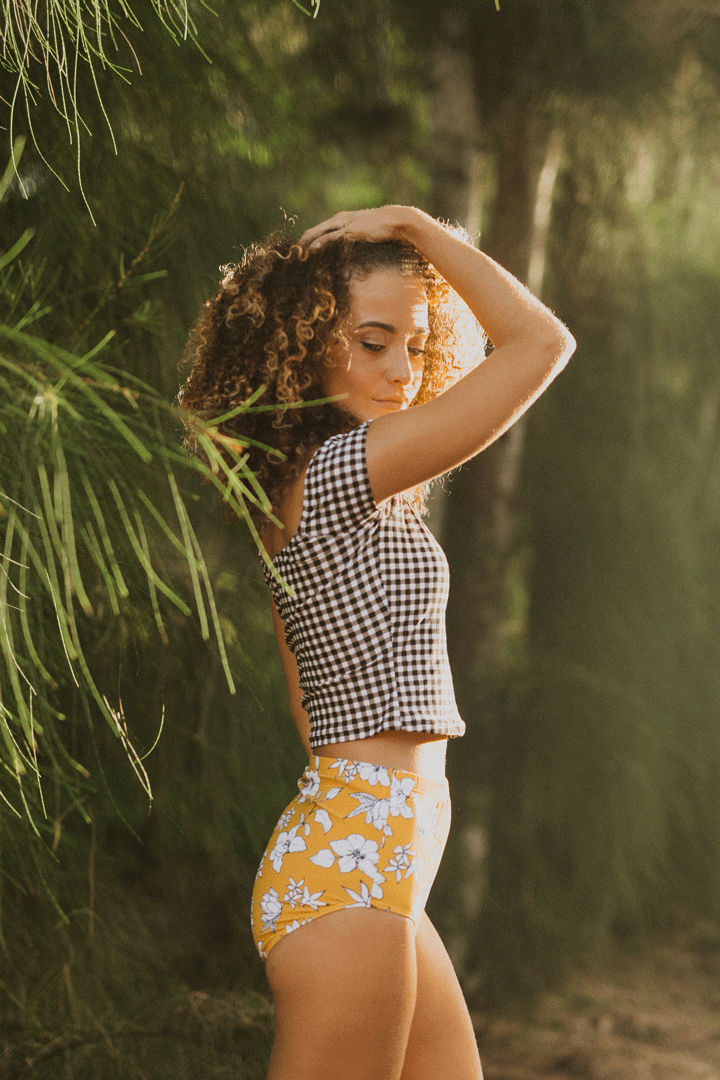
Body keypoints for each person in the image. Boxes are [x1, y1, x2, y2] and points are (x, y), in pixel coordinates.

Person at [179, 205, 575, 1080]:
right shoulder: (333, 475)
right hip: (352, 870)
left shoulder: (335, 486)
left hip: (373, 859)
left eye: (416, 344)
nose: (402, 370)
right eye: (371, 341)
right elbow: (542, 345)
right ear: (305, 343)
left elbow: (303, 695)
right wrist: (416, 228)